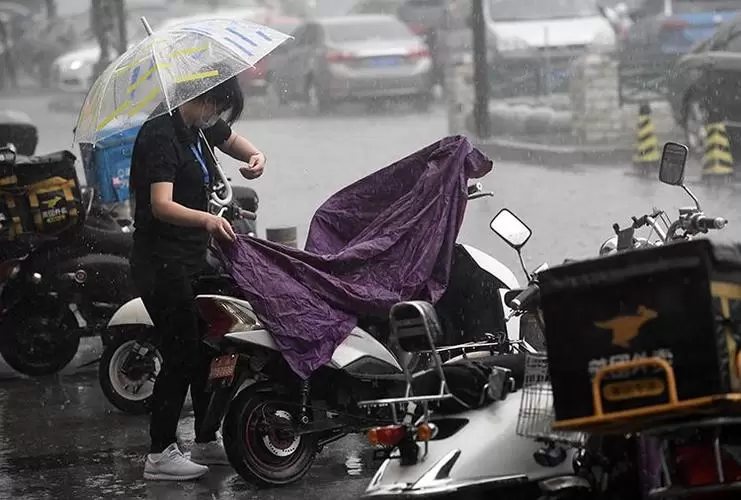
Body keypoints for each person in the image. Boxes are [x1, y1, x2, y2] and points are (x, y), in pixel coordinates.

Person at [129, 75, 266, 481]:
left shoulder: (197, 125)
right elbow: (161, 205)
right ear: (203, 98)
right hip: (161, 262)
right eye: (218, 109)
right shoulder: (161, 135)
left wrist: (256, 156)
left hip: (193, 258)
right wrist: (207, 219)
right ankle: (159, 453)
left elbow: (231, 140)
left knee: (215, 346)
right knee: (182, 351)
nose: (218, 119)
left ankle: (206, 437)